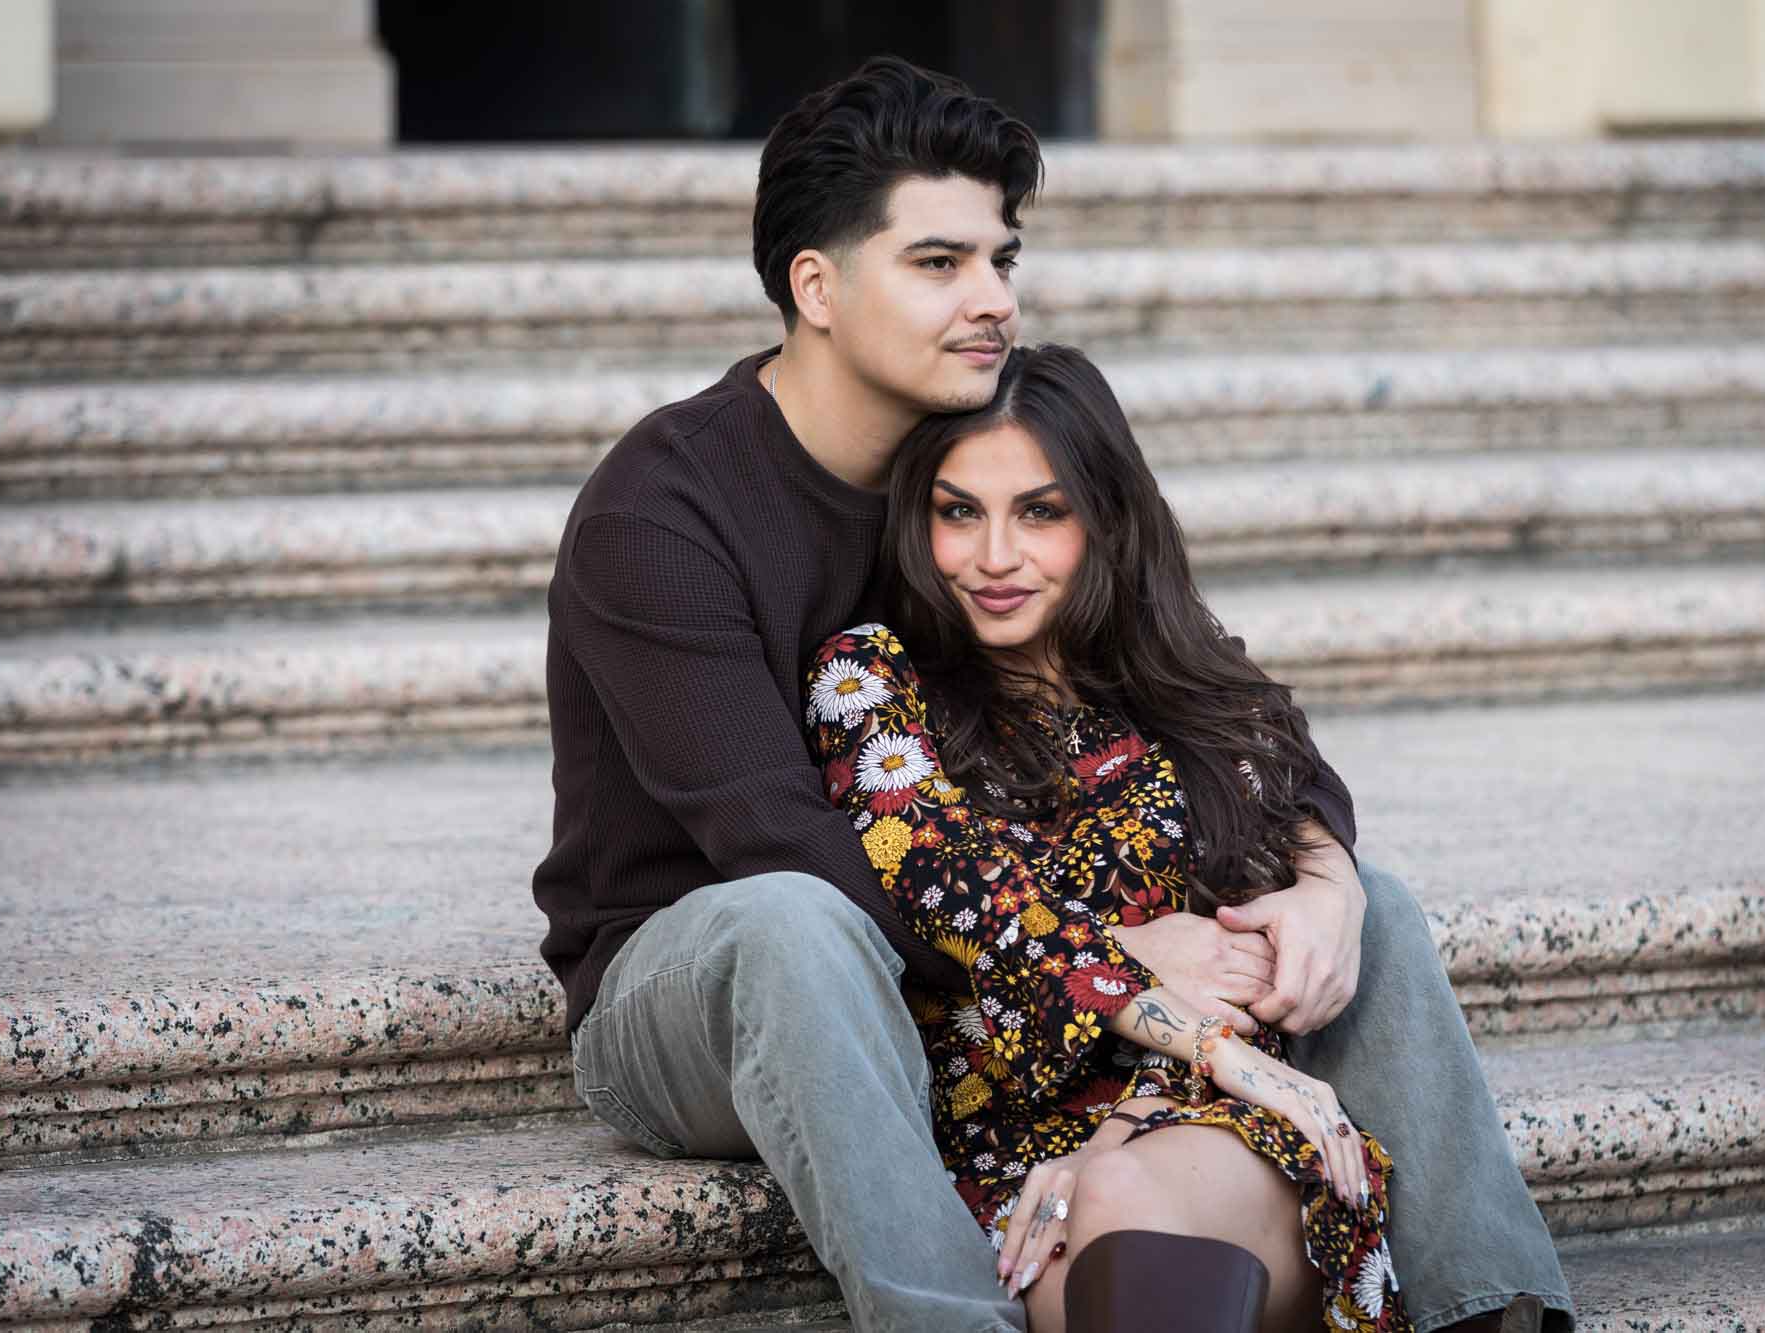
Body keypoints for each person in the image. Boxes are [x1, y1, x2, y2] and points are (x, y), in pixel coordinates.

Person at [534, 54, 1571, 1333]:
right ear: (815, 284)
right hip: (708, 982)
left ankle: (1493, 1306)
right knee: (796, 926)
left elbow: (1198, 691)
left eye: (1000, 261)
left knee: (1374, 912)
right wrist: (1121, 957)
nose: (990, 302)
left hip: (994, 965)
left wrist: (1326, 885)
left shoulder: (954, 457)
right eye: (937, 263)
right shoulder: (665, 512)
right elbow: (790, 843)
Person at [803, 343, 1417, 1333]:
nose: (993, 555)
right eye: (958, 510)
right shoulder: (870, 684)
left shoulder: (1184, 682)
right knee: (1098, 1220)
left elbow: (1247, 954)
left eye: (1039, 511)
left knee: (1125, 1194)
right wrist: (1205, 1042)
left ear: (1103, 519)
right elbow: (974, 906)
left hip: (1203, 1121)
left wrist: (1148, 1111)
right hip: (1002, 1155)